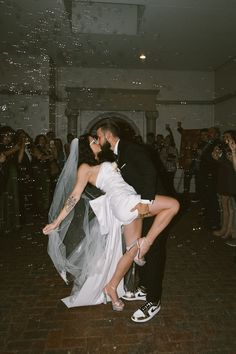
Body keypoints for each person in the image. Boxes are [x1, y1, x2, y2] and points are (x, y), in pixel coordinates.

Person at [43, 134, 179, 312]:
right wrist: (57, 221)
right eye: (94, 141)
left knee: (131, 252)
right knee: (173, 205)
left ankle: (111, 287)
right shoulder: (84, 167)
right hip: (126, 202)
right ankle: (147, 242)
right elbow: (74, 196)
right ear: (86, 147)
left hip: (125, 205)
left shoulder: (103, 160)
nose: (98, 142)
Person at [96, 120, 179, 322]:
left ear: (108, 136)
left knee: (154, 250)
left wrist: (145, 201)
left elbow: (150, 172)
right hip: (140, 206)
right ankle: (144, 287)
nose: (98, 140)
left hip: (154, 204)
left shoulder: (131, 149)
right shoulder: (117, 153)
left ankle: (154, 301)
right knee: (138, 248)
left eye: (99, 136)